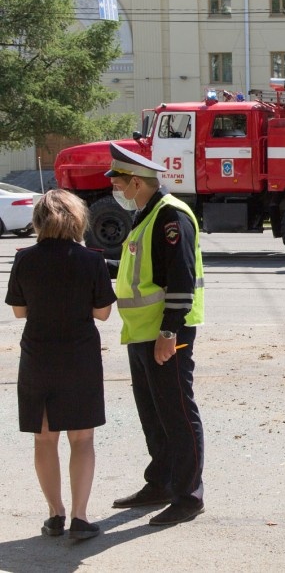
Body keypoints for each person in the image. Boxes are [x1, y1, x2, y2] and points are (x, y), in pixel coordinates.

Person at [104, 143, 207, 526]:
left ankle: (188, 495)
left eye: (118, 181)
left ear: (135, 182)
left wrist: (169, 331)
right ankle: (161, 481)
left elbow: (180, 279)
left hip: (166, 333)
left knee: (178, 413)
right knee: (154, 414)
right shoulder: (146, 214)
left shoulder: (170, 217)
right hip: (142, 332)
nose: (115, 188)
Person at [5, 190, 115, 540]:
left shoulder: (25, 259)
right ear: (77, 220)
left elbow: (19, 311)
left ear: (38, 221)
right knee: (82, 439)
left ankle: (55, 514)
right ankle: (81, 518)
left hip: (38, 355)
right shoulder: (92, 260)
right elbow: (102, 313)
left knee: (44, 438)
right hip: (80, 356)